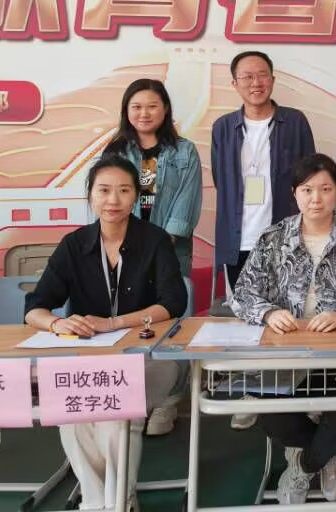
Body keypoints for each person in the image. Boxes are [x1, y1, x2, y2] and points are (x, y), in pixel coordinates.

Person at [230, 153, 336, 504]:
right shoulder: (274, 238)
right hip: (286, 355)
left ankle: (304, 464)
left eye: (325, 189)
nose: (316, 198)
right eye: (307, 190)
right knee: (271, 413)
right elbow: (242, 293)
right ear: (294, 193)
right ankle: (324, 454)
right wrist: (267, 313)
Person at [24, 155, 187, 512]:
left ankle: (114, 501)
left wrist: (113, 323)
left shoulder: (154, 240)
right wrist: (57, 323)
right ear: (91, 195)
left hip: (151, 357)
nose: (113, 200)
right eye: (104, 190)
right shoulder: (74, 244)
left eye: (124, 191)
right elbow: (35, 307)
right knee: (72, 412)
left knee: (115, 407)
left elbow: (174, 302)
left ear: (136, 197)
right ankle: (103, 502)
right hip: (91, 359)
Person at [211, 51, 315, 430]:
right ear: (234, 83)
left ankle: (294, 393)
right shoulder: (223, 127)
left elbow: (309, 177)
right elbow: (222, 180)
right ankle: (251, 392)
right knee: (249, 318)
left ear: (272, 78)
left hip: (285, 239)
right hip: (238, 240)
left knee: (293, 314)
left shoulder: (294, 122)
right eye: (247, 76)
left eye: (262, 75)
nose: (255, 83)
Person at [102, 78, 201, 435]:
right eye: (137, 107)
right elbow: (105, 199)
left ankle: (167, 401)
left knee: (171, 323)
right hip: (122, 253)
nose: (144, 113)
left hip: (170, 251)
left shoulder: (184, 151)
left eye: (152, 106)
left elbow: (185, 205)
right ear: (127, 111)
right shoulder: (115, 150)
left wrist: (155, 248)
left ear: (165, 109)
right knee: (128, 321)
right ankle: (131, 396)